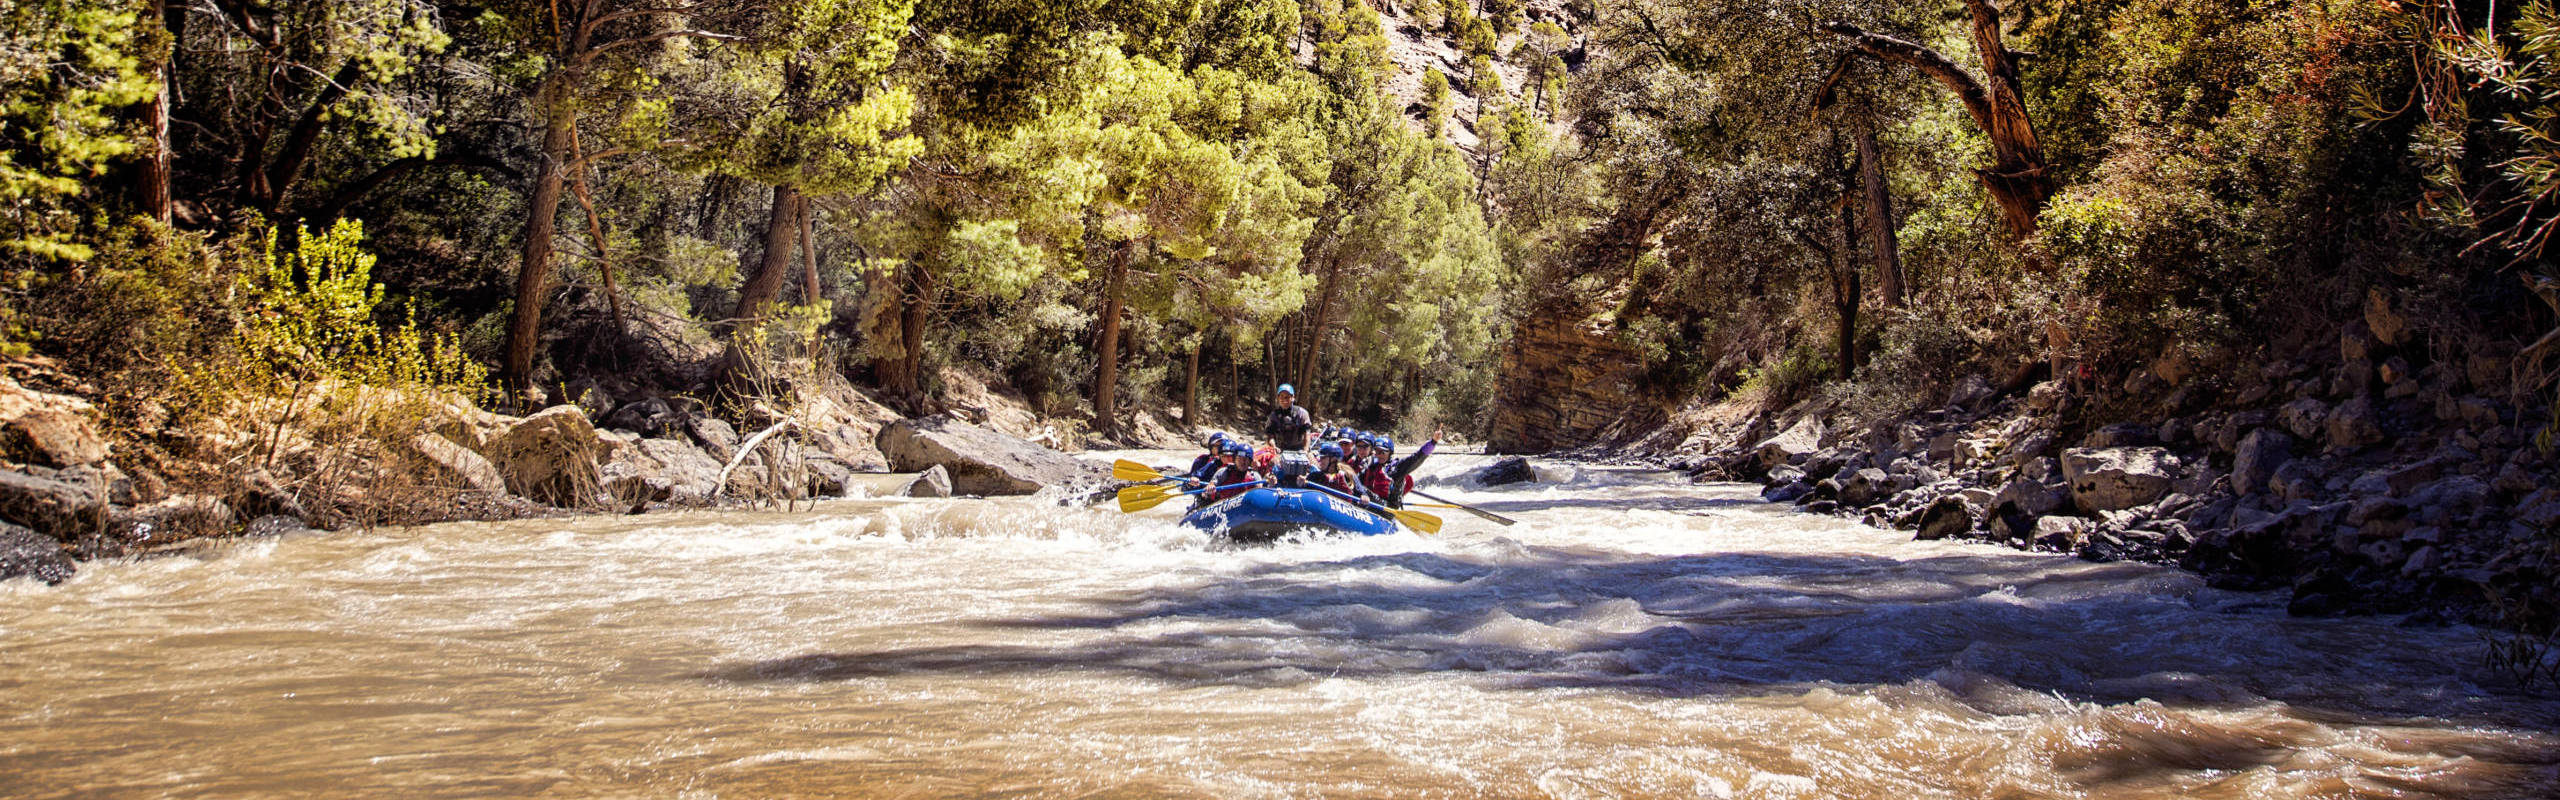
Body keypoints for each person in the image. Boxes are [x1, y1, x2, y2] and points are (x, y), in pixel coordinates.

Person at [1361, 430, 1441, 508]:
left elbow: (1417, 457)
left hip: (1388, 507)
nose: (1379, 455)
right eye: (1377, 452)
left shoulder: (1397, 468)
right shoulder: (1372, 465)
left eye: (1383, 452)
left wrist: (1433, 442)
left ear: (1390, 453)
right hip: (1372, 502)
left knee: (1365, 491)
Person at [1264, 383, 1313, 451]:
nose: (1284, 400)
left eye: (1287, 397)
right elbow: (1270, 435)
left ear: (1292, 398)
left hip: (1299, 449)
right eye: (1281, 397)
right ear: (1278, 398)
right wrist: (1273, 447)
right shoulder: (1274, 415)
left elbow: (1307, 433)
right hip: (1279, 449)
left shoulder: (1302, 413)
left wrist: (1305, 450)